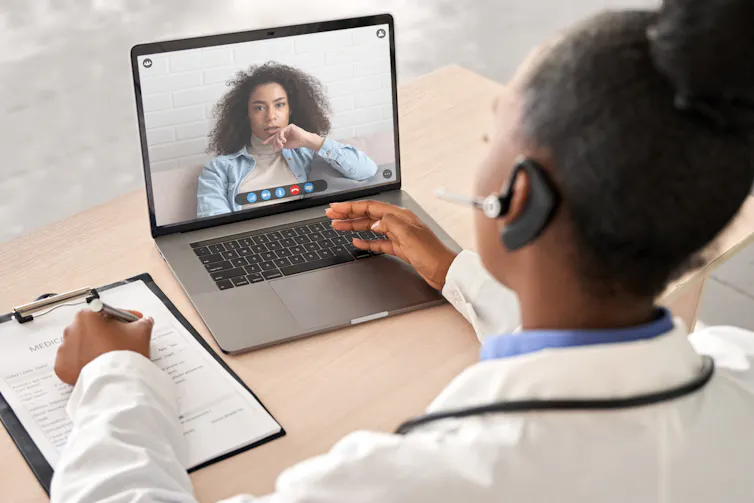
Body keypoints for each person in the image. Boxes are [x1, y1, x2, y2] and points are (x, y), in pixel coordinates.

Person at [52, 0, 754, 501]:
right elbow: (587, 358)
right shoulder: (738, 370)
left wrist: (115, 379)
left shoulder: (418, 477)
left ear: (517, 201)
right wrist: (456, 271)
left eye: (490, 137)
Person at [197, 62, 378, 217]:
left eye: (279, 105)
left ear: (290, 110)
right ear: (247, 115)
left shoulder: (308, 153)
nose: (271, 116)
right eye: (260, 108)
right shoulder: (218, 170)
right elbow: (213, 227)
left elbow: (367, 170)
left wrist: (310, 140)